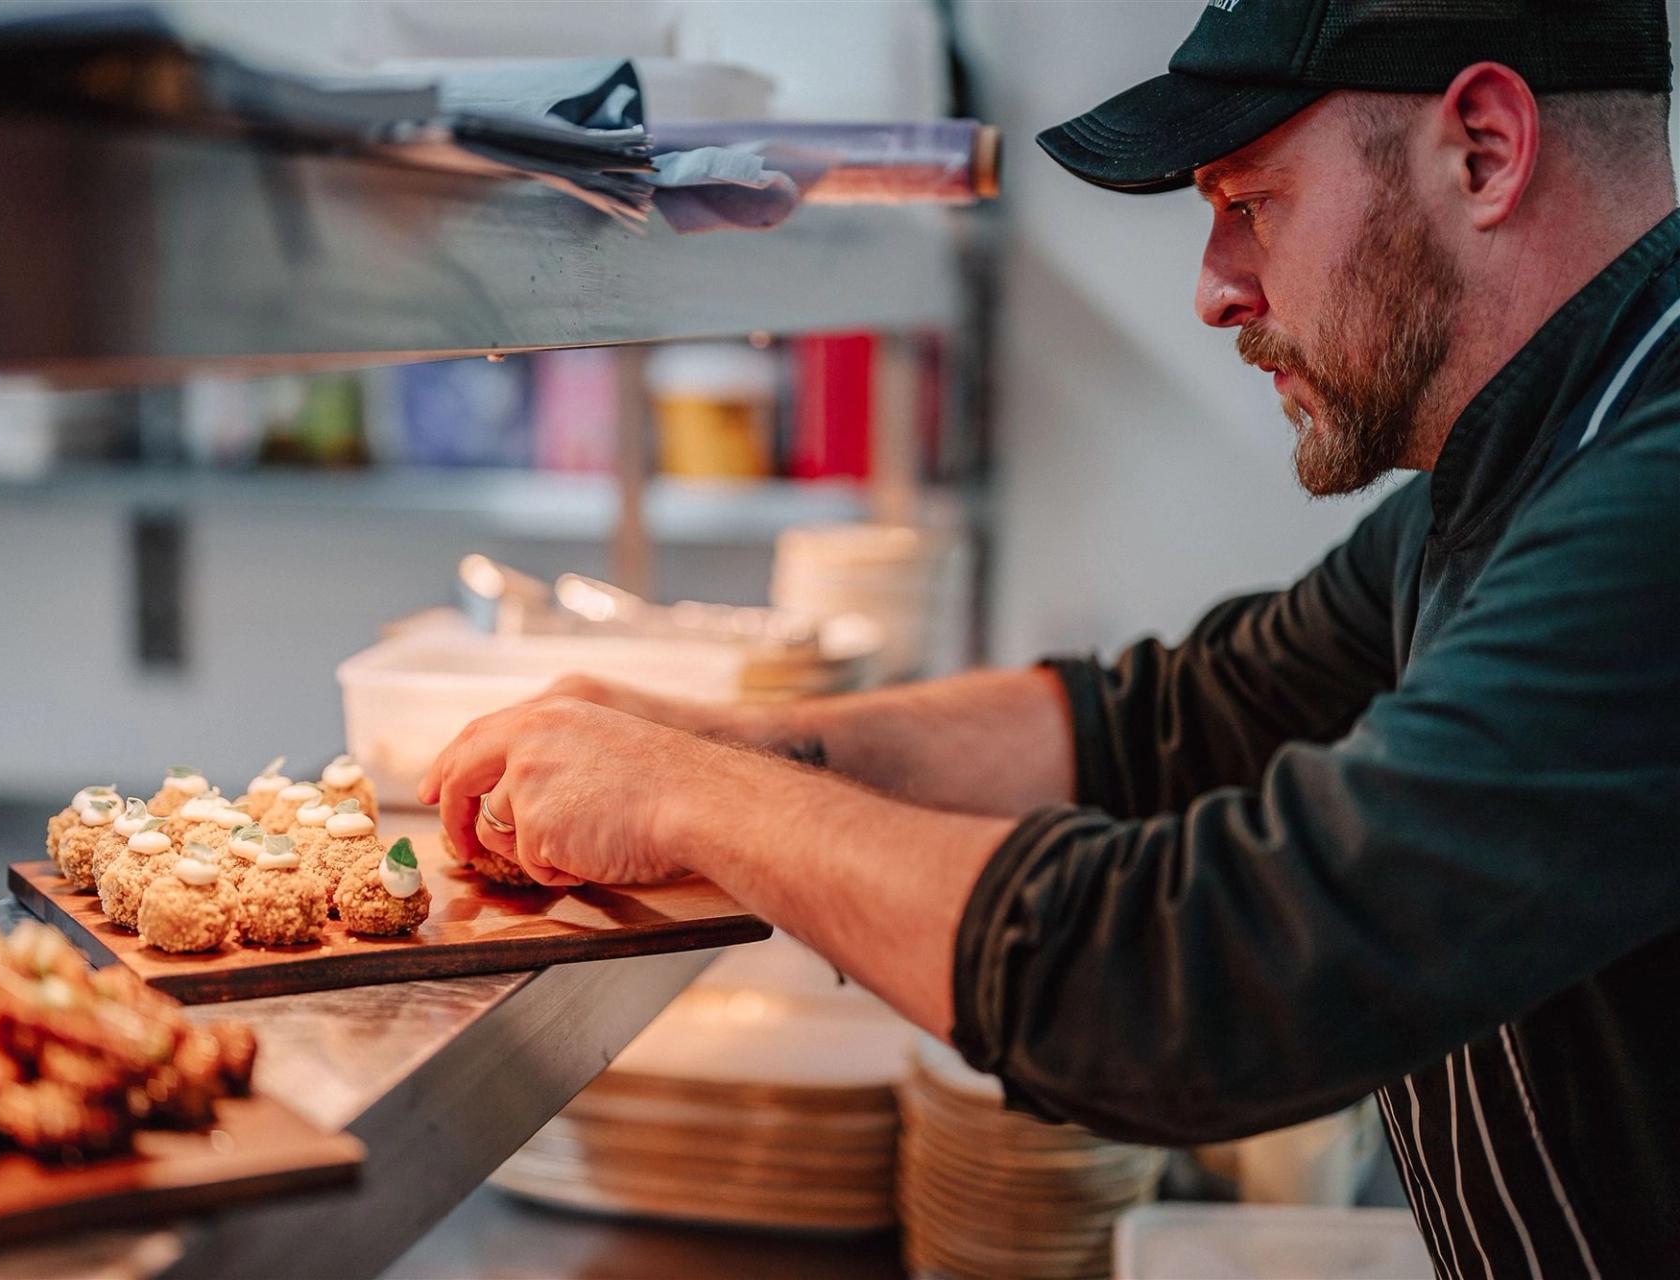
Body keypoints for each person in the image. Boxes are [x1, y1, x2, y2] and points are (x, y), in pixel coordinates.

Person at [424, 2, 1680, 1274]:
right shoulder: (1499, 484)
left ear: (1482, 147)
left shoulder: (1651, 509)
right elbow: (1168, 720)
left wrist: (696, 798)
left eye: (1253, 201)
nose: (1214, 288)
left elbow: (1213, 979)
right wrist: (725, 738)